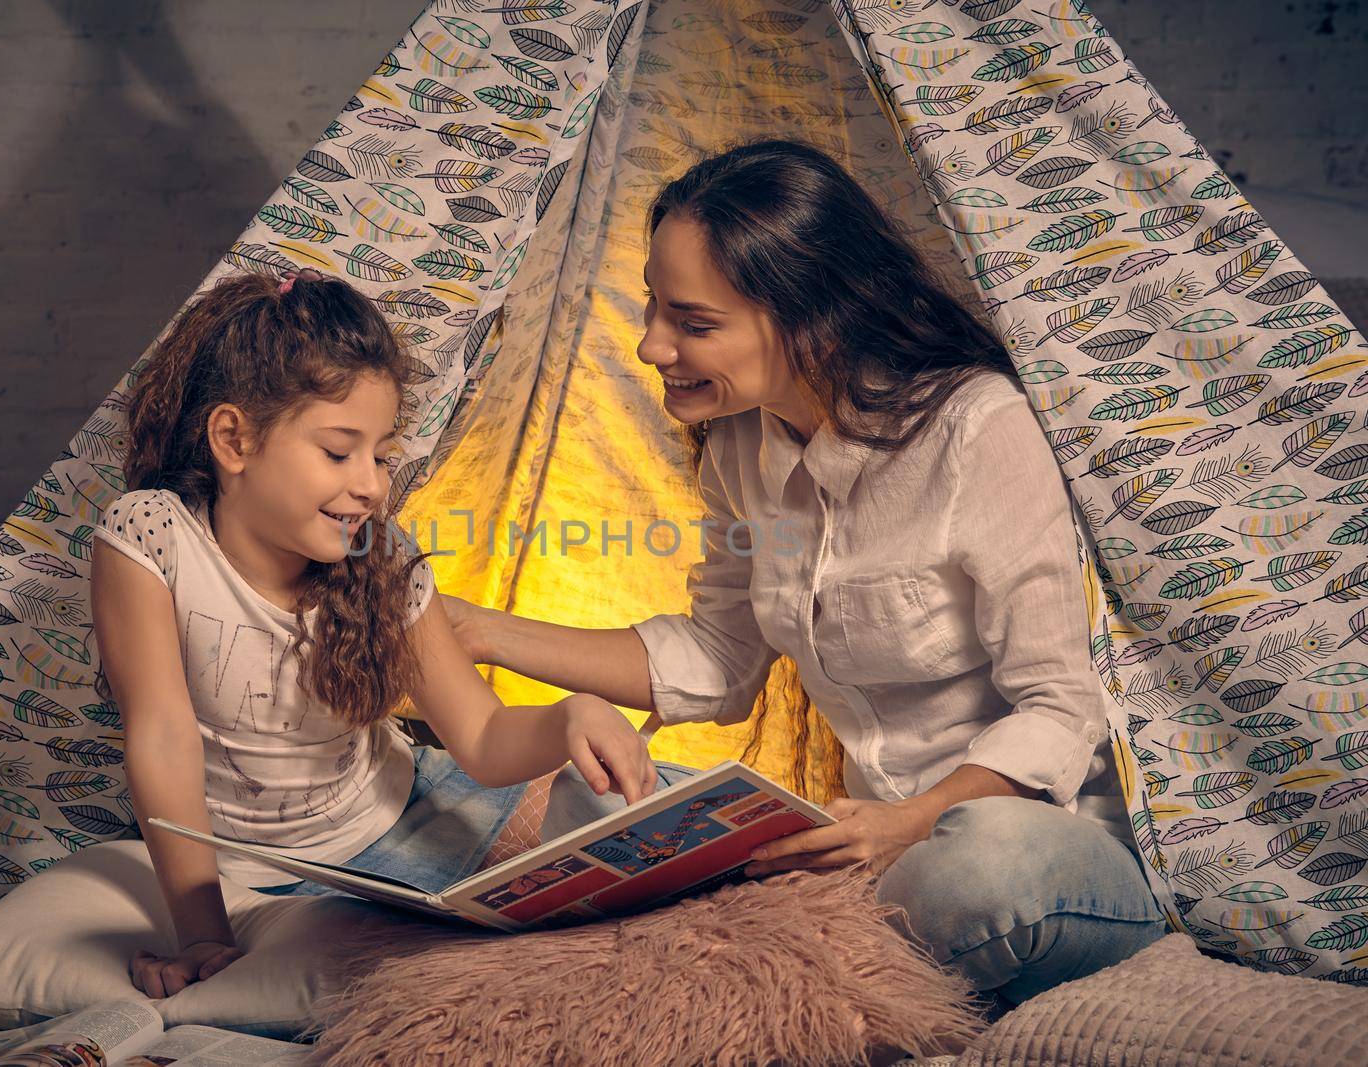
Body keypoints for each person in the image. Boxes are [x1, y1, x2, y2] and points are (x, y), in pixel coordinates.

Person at [444, 139, 1168, 1005]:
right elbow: (716, 660)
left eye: (693, 322)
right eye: (653, 307)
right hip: (862, 848)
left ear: (812, 314)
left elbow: (1062, 706)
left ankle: (762, 967)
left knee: (975, 867)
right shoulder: (741, 445)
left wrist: (908, 822)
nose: (650, 347)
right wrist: (481, 630)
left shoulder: (978, 428)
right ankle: (778, 960)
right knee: (596, 804)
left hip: (1040, 851)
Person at [91, 267, 691, 999]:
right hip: (276, 877)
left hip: (408, 810)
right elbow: (161, 738)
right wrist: (206, 936)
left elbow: (483, 735)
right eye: (340, 452)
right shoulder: (153, 537)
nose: (372, 485)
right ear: (233, 438)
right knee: (460, 984)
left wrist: (572, 713)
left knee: (670, 829)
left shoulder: (384, 553)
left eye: (379, 455)